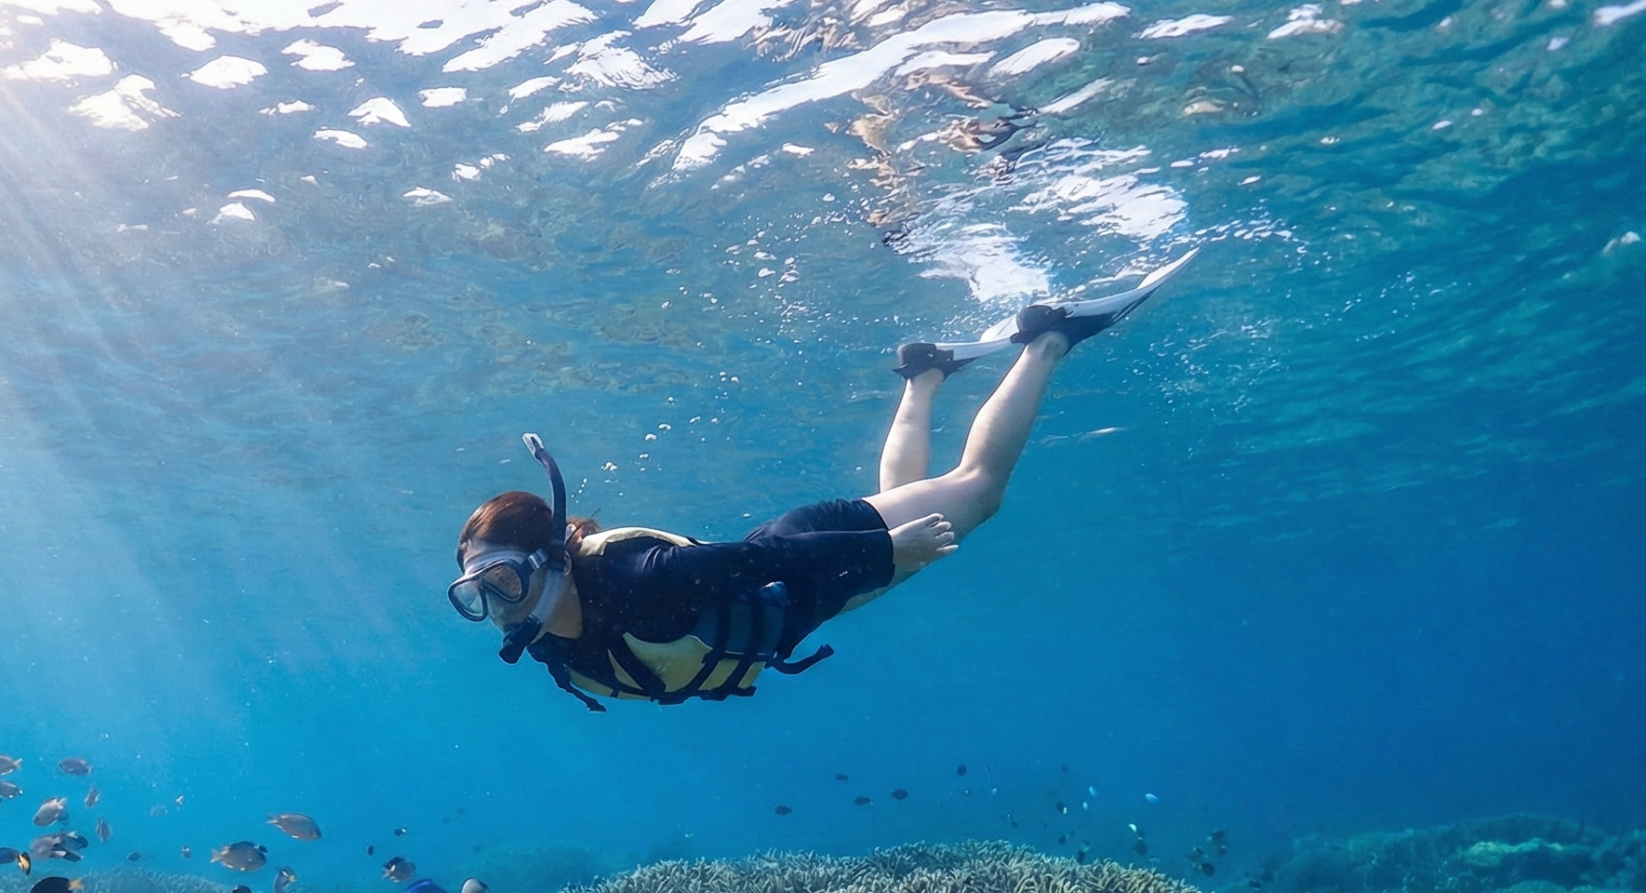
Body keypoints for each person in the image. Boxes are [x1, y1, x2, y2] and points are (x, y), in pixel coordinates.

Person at [448, 253, 1196, 709]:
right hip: (810, 594)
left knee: (979, 490)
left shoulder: (645, 579)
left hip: (813, 556)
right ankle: (926, 373)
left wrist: (884, 548)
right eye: (476, 597)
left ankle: (1050, 337)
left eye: (503, 583)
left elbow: (763, 559)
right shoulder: (550, 641)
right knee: (900, 497)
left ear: (546, 559)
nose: (498, 609)